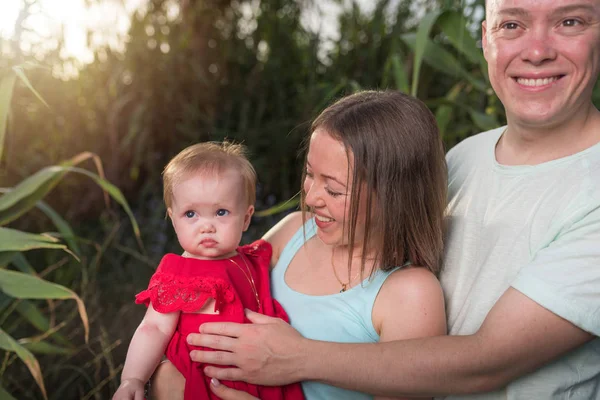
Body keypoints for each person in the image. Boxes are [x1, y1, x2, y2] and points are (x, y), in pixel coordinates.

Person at [173, 0, 600, 398]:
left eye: (570, 21)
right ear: (486, 39)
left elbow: (489, 361)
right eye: (512, 24)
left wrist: (294, 357)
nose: (538, 50)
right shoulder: (467, 155)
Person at [149, 90, 450, 399]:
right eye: (309, 174)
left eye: (334, 190)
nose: (311, 197)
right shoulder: (295, 232)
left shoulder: (410, 295)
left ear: (393, 197)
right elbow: (204, 292)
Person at [112, 142, 304, 400]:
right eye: (190, 214)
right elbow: (153, 328)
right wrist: (132, 378)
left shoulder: (254, 259)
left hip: (261, 376)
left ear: (246, 218)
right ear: (173, 218)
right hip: (203, 381)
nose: (206, 226)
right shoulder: (178, 273)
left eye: (221, 212)